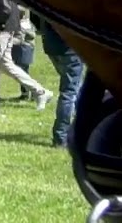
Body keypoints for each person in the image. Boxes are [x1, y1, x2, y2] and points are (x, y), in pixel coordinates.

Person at [33, 11, 85, 147]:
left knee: (74, 89)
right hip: (70, 48)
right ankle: (61, 136)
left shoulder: (51, 0)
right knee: (69, 92)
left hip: (52, 46)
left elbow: (35, 14)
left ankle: (80, 129)